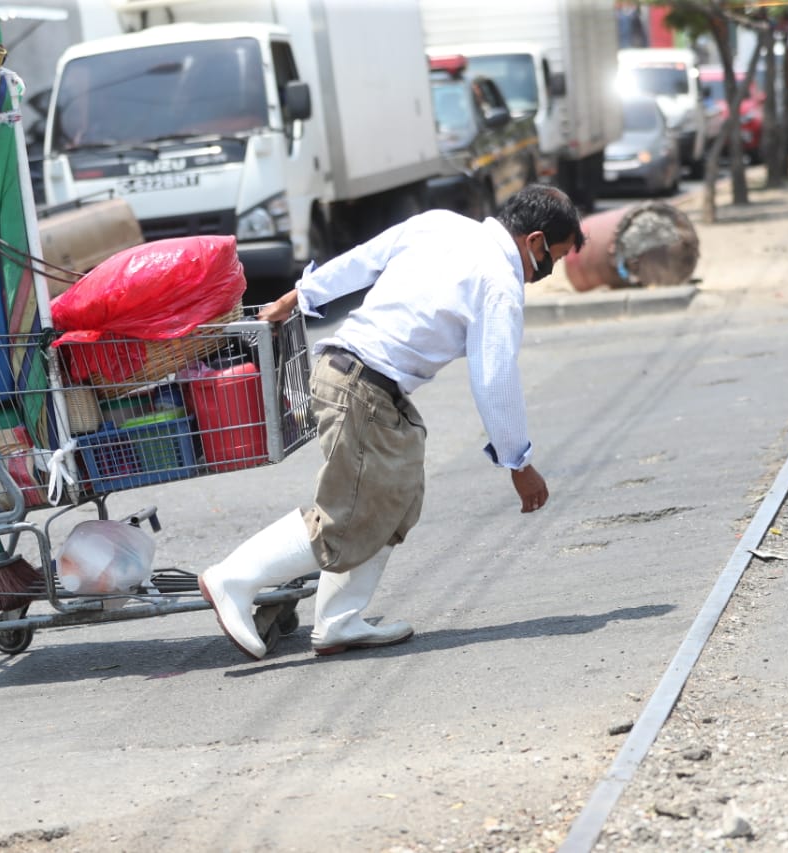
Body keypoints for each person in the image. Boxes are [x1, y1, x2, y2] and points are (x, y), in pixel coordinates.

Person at [200, 185, 584, 660]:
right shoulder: (499, 282)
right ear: (536, 241)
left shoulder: (439, 223)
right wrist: (518, 463)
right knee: (345, 515)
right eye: (554, 260)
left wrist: (298, 296)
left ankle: (339, 619)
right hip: (363, 386)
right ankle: (233, 578)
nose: (546, 273)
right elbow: (494, 376)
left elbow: (362, 260)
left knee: (395, 499)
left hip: (356, 379)